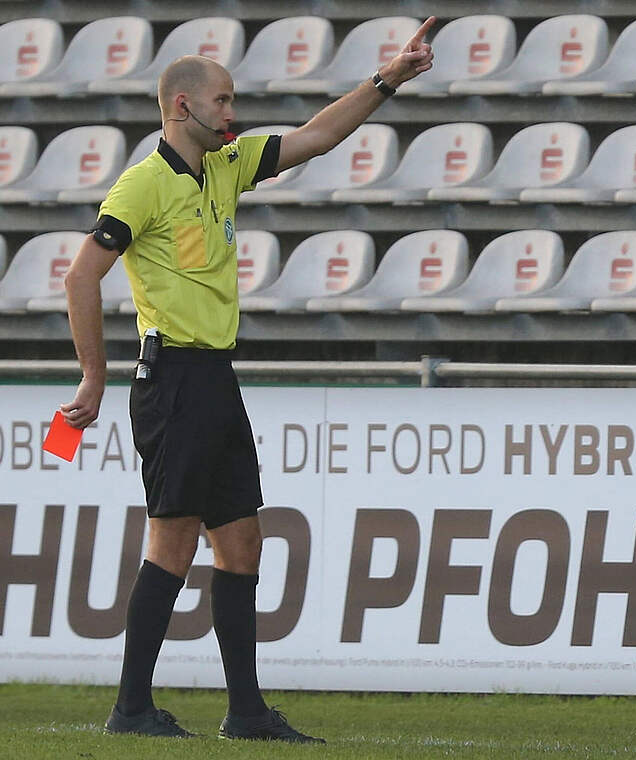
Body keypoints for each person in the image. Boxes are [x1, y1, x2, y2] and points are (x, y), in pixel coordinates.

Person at [60, 19, 436, 741]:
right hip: (171, 379)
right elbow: (82, 275)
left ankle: (246, 712)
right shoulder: (143, 184)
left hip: (214, 378)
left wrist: (389, 78)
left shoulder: (226, 165)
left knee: (242, 545)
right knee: (170, 543)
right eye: (225, 102)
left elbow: (319, 136)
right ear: (182, 107)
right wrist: (92, 376)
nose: (234, 115)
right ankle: (130, 709)